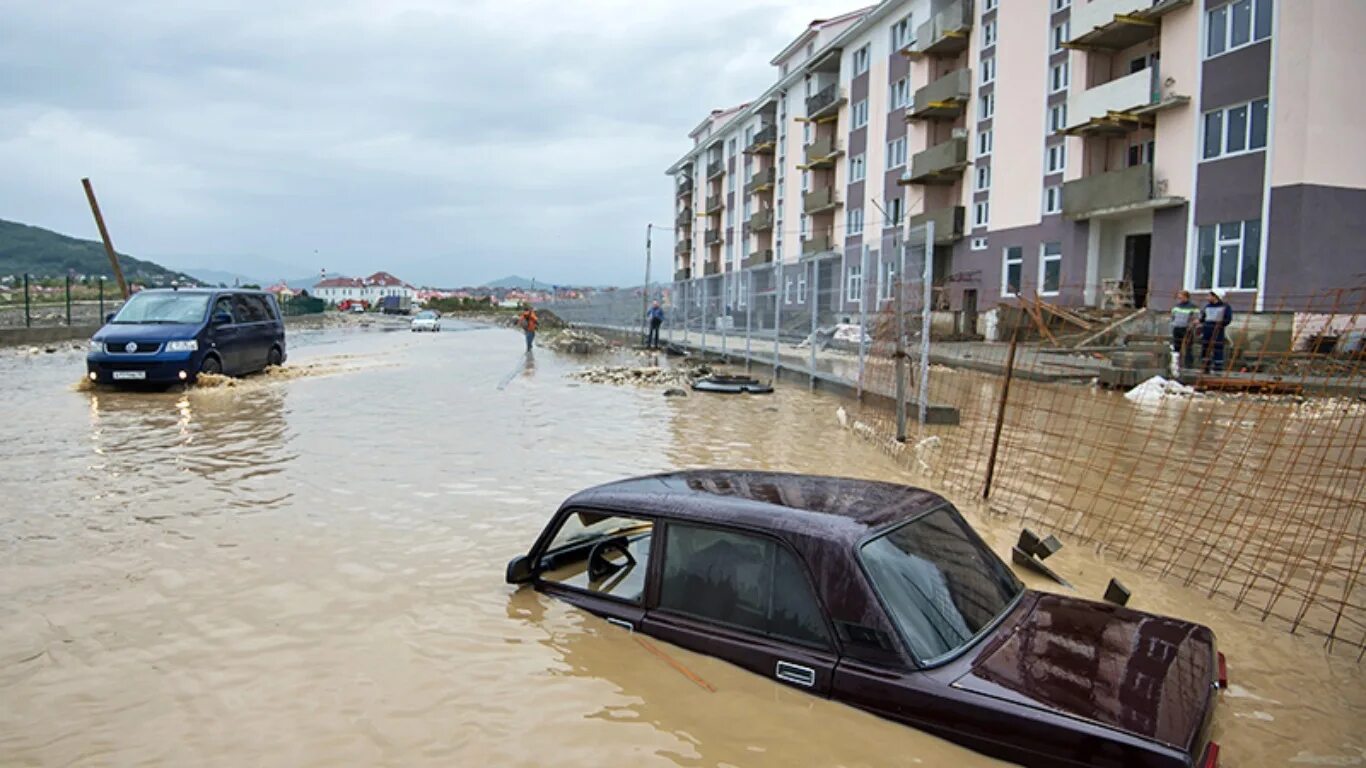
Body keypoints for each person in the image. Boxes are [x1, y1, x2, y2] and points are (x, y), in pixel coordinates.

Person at [1199, 291, 1232, 373]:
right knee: (1205, 348)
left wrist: (1221, 324)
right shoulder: (1207, 307)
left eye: (1209, 296)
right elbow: (1203, 318)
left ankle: (1218, 367)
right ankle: (1205, 367)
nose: (1207, 298)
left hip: (1217, 330)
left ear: (1216, 296)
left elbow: (1227, 319)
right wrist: (1199, 321)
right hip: (1207, 329)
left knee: (1217, 348)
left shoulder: (1225, 307)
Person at [1170, 290, 1199, 371]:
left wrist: (1192, 325)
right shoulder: (1176, 307)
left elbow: (1196, 318)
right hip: (1177, 328)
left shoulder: (1193, 307)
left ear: (1186, 297)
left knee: (1188, 347)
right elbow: (1172, 316)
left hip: (1187, 329)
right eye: (1179, 297)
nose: (1179, 299)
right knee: (1176, 347)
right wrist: (1173, 324)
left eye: (1181, 297)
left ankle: (1188, 365)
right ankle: (1176, 365)